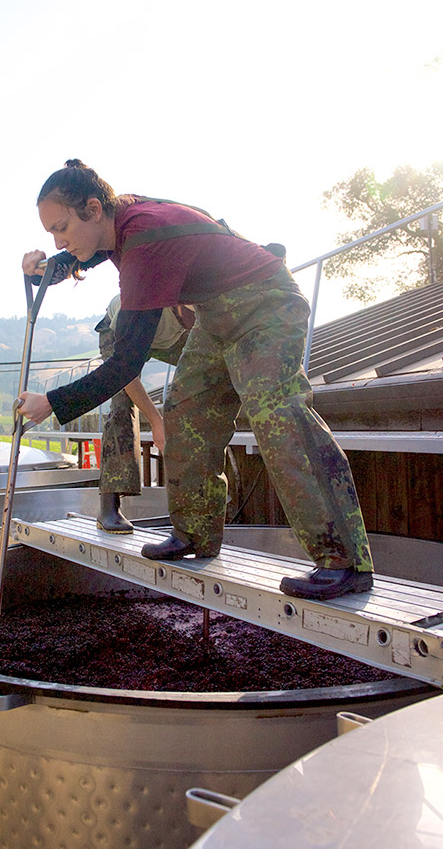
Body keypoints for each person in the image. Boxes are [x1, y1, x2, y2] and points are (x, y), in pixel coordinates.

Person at [19, 159, 374, 601]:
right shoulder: (117, 220)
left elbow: (125, 363)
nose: (58, 240)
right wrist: (48, 268)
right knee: (186, 413)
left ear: (93, 208)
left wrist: (52, 402)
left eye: (60, 227)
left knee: (277, 415)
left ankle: (343, 560)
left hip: (266, 304)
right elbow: (80, 252)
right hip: (215, 315)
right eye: (52, 233)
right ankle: (195, 536)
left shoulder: (144, 239)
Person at [94, 293, 191, 532]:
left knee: (204, 382)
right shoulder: (141, 308)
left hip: (167, 335)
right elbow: (125, 374)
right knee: (122, 404)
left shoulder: (204, 305)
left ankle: (197, 502)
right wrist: (157, 421)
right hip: (123, 329)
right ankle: (109, 506)